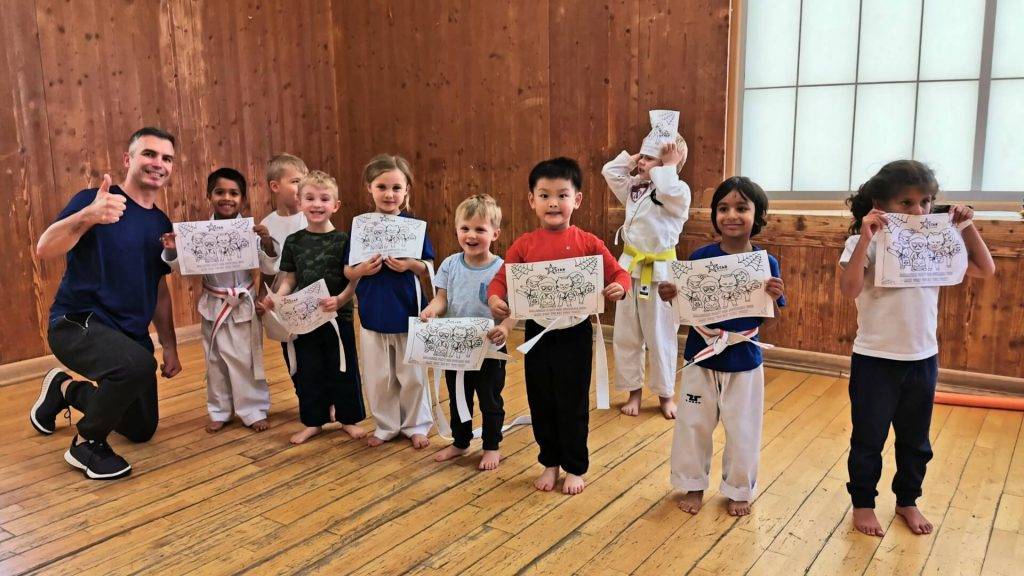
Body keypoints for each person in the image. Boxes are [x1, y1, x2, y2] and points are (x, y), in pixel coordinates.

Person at [30, 127, 182, 480]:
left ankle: (64, 389)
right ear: (129, 159)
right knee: (136, 366)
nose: (158, 163)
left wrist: (170, 346)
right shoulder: (93, 200)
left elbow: (159, 288)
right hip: (76, 323)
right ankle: (86, 444)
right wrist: (89, 216)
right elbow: (44, 248)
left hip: (130, 336)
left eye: (166, 158)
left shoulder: (161, 223)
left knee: (141, 428)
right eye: (149, 154)